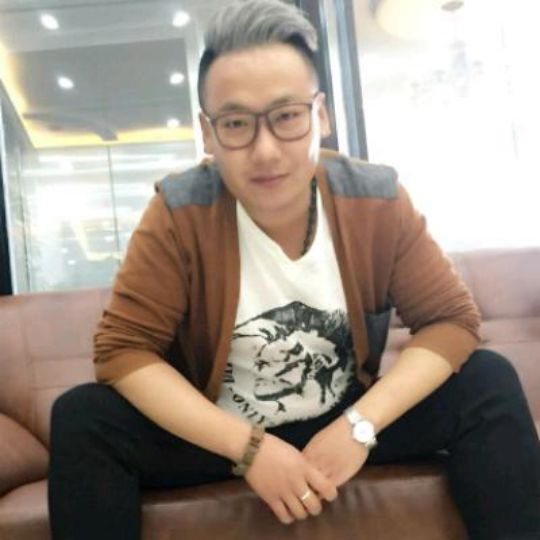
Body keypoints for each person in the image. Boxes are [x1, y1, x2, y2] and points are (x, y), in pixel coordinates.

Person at [48, 0, 540, 538]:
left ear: (320, 116)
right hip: (218, 430)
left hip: (341, 415)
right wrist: (249, 449)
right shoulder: (179, 213)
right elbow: (122, 351)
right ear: (208, 133)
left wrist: (360, 425)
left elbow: (451, 320)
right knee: (83, 418)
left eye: (286, 117)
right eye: (236, 123)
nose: (264, 151)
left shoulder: (375, 198)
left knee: (486, 381)